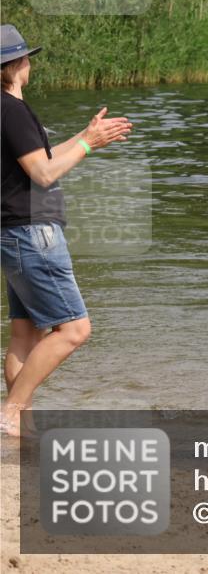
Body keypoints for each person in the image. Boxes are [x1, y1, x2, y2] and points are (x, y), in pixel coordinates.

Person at [0, 24, 132, 437]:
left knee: (25, 334)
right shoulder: (13, 110)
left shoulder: (4, 110)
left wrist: (86, 137)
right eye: (27, 59)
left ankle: (22, 429)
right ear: (20, 64)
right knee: (75, 329)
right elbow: (42, 172)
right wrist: (88, 145)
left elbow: (38, 158)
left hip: (12, 234)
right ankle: (10, 413)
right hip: (32, 233)